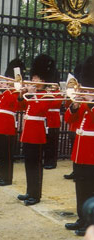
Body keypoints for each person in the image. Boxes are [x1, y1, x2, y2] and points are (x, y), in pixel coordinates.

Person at [17, 54, 57, 206]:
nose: (33, 81)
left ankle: (36, 195)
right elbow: (20, 107)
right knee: (28, 164)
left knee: (36, 165)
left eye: (36, 79)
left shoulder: (47, 95)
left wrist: (32, 94)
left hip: (38, 133)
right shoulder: (32, 94)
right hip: (28, 132)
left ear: (44, 81)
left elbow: (41, 109)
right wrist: (22, 95)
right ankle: (29, 191)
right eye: (32, 78)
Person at [64, 55, 94, 237]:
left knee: (91, 188)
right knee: (80, 186)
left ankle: (90, 222)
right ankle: (81, 218)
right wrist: (75, 106)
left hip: (92, 151)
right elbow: (69, 119)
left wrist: (89, 102)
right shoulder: (84, 101)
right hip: (80, 151)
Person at [0, 58, 25, 186]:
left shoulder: (15, 93)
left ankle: (7, 178)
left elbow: (17, 106)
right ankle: (1, 176)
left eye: (11, 80)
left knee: (7, 154)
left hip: (6, 126)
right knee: (1, 154)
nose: (7, 81)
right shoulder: (6, 92)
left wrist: (15, 89)